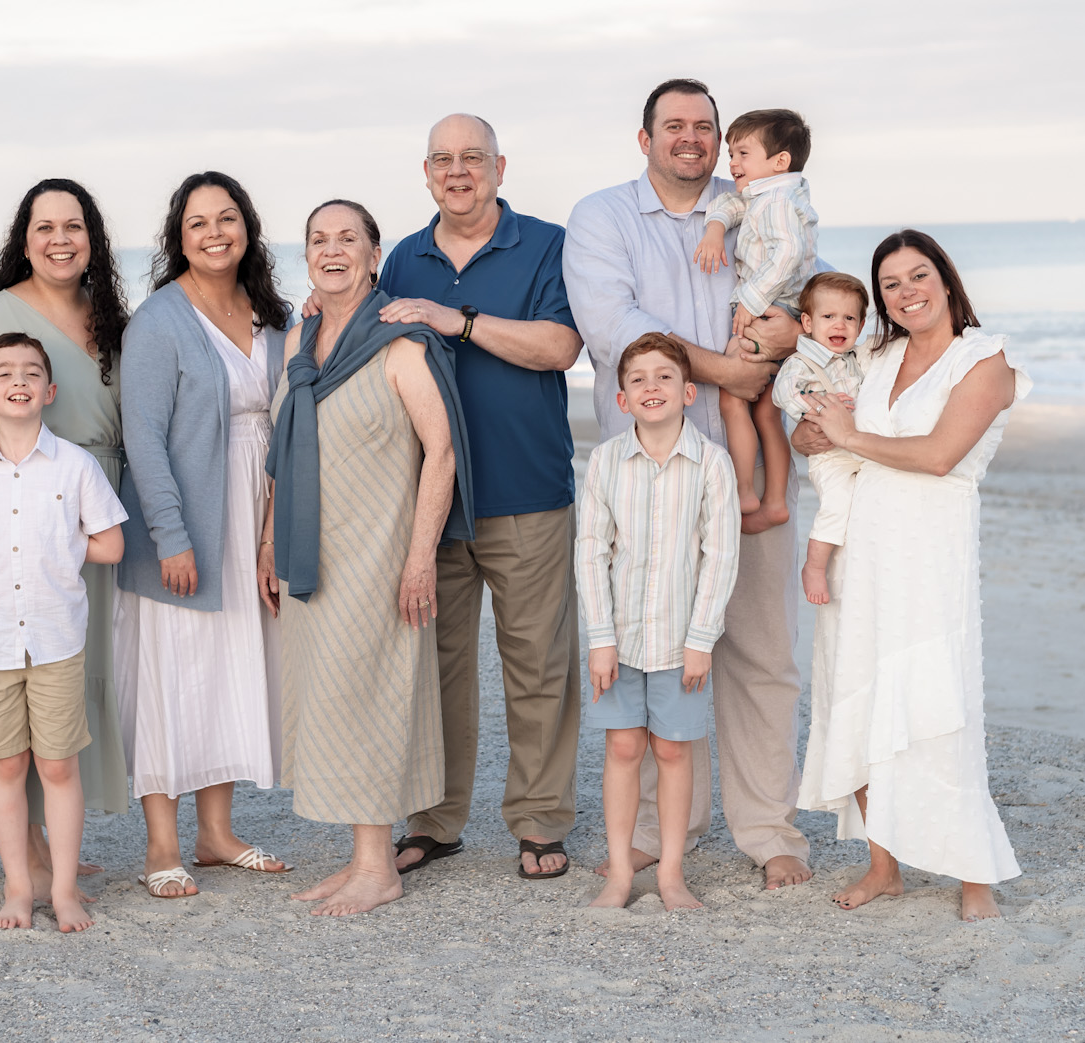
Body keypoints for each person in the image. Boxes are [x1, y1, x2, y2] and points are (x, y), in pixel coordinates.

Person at [562, 77, 820, 893]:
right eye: (674, 125)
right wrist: (734, 374)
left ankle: (767, 829)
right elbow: (618, 335)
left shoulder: (754, 199)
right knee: (649, 652)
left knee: (759, 654)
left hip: (743, 469)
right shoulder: (601, 218)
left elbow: (816, 298)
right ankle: (653, 830)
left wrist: (787, 334)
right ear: (645, 138)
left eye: (706, 127)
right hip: (646, 476)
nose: (692, 138)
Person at [375, 113, 584, 881]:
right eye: (443, 159)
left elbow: (561, 346)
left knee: (537, 665)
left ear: (501, 165)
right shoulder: (404, 255)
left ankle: (538, 820)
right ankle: (435, 819)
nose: (458, 171)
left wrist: (453, 319)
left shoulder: (546, 244)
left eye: (473, 157)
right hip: (430, 503)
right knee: (437, 665)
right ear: (425, 172)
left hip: (527, 489)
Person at [798, 230, 1028, 922]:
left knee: (939, 701)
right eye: (890, 284)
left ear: (947, 280)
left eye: (917, 275)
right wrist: (814, 431)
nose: (906, 291)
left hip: (930, 549)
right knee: (859, 693)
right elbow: (810, 430)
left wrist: (848, 436)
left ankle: (975, 874)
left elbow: (937, 455)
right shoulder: (874, 354)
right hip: (862, 545)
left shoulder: (984, 361)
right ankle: (883, 864)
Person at [263, 199, 476, 917]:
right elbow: (281, 450)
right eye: (318, 238)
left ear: (374, 254)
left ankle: (376, 868)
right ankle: (362, 857)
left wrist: (420, 558)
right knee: (327, 697)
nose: (332, 249)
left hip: (379, 551)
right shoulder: (301, 337)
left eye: (347, 238)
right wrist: (269, 541)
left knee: (370, 697)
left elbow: (441, 449)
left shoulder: (400, 341)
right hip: (309, 549)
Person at [0, 178, 134, 899]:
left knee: (70, 683)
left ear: (91, 237)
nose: (59, 239)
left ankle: (56, 848)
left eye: (73, 226)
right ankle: (32, 853)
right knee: (10, 685)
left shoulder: (106, 314)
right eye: (44, 227)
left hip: (83, 506)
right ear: (25, 236)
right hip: (12, 517)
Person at [118, 172, 292, 898]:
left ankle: (216, 833)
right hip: (185, 517)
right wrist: (171, 535)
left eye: (227, 217)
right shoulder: (159, 319)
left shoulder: (272, 314)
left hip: (255, 507)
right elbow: (143, 436)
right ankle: (163, 841)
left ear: (247, 226)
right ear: (177, 237)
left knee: (227, 666)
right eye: (198, 223)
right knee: (171, 672)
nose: (214, 231)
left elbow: (288, 421)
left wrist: (273, 533)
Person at [0, 333, 128, 933]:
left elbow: (111, 543)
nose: (17, 381)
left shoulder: (76, 466)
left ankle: (66, 890)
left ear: (48, 391)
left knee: (56, 767)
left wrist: (60, 543)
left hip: (55, 641)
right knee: (5, 766)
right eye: (3, 373)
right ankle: (19, 887)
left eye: (30, 373)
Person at [577, 333, 738, 912]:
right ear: (622, 399)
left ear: (688, 392)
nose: (651, 386)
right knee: (623, 747)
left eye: (664, 377)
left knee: (673, 752)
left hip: (681, 641)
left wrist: (701, 641)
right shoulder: (605, 462)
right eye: (638, 379)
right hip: (618, 640)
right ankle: (620, 872)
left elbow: (720, 556)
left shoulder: (711, 465)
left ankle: (671, 872)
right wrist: (600, 640)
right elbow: (592, 551)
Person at [693, 109, 818, 534]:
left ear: (779, 161)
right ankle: (776, 501)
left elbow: (787, 253)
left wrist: (749, 299)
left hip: (766, 311)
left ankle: (745, 490)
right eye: (731, 152)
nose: (733, 163)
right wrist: (714, 228)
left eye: (743, 152)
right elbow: (729, 202)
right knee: (767, 414)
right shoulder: (769, 194)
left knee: (732, 400)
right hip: (779, 307)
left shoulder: (778, 203)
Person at [770, 271, 871, 606]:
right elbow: (784, 394)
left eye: (849, 318)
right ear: (808, 322)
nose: (839, 326)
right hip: (830, 456)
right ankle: (814, 566)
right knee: (837, 504)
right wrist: (821, 407)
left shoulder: (856, 359)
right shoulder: (801, 364)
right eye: (829, 317)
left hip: (860, 449)